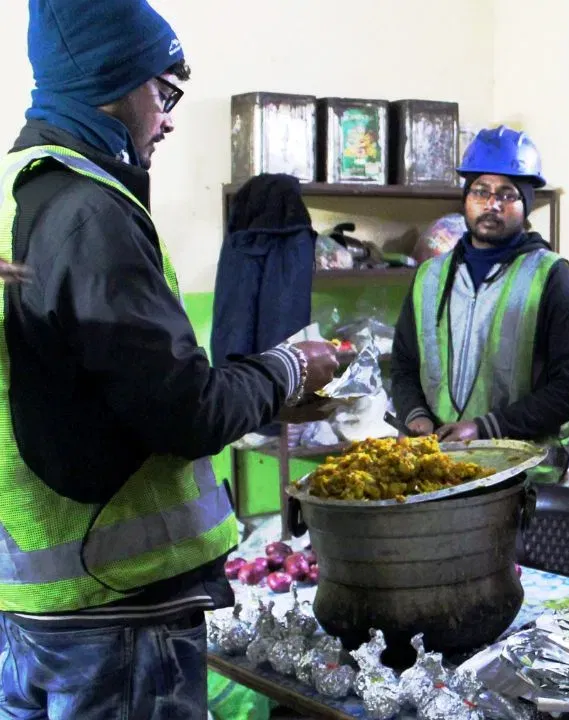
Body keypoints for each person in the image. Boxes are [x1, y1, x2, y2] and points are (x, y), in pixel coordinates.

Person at [0, 0, 339, 717]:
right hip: (113, 608)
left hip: (31, 603)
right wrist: (289, 368)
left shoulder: (16, 192)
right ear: (110, 86)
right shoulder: (90, 212)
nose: (171, 114)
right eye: (164, 90)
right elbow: (189, 411)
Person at [389, 126, 569, 479]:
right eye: (480, 191)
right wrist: (416, 417)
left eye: (507, 194)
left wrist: (486, 427)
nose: (492, 204)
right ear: (466, 197)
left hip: (521, 476)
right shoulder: (429, 278)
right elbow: (405, 365)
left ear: (526, 203)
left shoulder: (551, 277)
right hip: (438, 471)